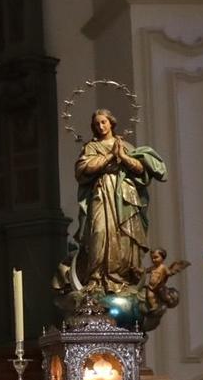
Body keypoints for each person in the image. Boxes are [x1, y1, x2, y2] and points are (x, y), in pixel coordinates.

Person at [68, 108, 167, 291]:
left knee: (124, 236)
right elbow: (84, 168)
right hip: (101, 193)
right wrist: (110, 157)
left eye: (103, 122)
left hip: (124, 196)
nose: (100, 126)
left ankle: (120, 278)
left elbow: (140, 169)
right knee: (98, 232)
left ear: (111, 123)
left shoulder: (124, 145)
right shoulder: (91, 147)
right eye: (97, 123)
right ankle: (97, 278)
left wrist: (122, 156)